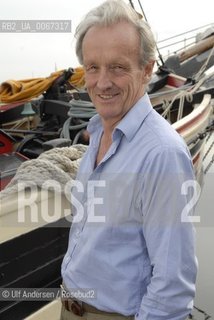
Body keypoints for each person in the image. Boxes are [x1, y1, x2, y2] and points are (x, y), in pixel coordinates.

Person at [61, 0, 198, 319]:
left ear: (147, 70)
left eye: (118, 67)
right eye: (93, 67)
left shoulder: (162, 154)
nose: (102, 82)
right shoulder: (96, 133)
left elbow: (172, 287)